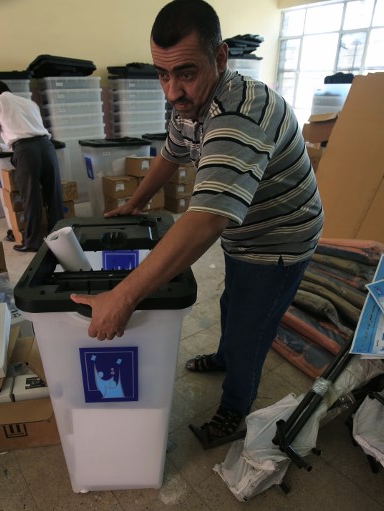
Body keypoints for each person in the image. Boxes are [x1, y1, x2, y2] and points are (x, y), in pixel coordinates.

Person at [69, 0, 324, 449]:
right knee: (232, 301)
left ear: (221, 58)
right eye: (162, 74)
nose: (171, 91)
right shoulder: (191, 102)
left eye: (184, 73)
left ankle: (235, 409)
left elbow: (205, 220)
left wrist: (123, 296)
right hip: (246, 230)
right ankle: (225, 357)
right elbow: (171, 151)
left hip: (280, 238)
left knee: (251, 326)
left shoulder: (240, 115)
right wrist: (137, 201)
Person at [0, 80, 65, 252]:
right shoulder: (29, 102)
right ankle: (59, 239)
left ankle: (32, 242)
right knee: (54, 195)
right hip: (47, 146)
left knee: (31, 197)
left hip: (26, 151)